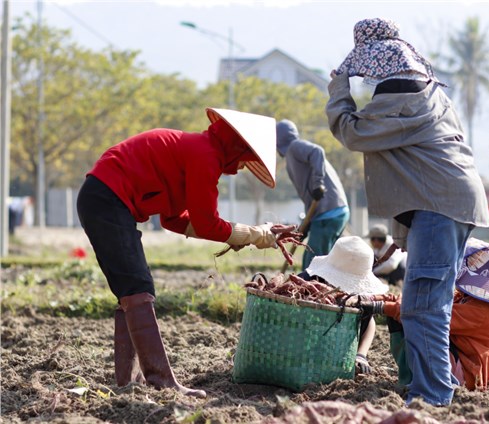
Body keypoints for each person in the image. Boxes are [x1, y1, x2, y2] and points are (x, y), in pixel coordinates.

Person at [77, 108, 301, 398]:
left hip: (102, 197)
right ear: (238, 147)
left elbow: (175, 219)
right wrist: (254, 235)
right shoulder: (204, 155)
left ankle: (129, 382)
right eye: (246, 160)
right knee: (137, 287)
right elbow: (207, 223)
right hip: (108, 198)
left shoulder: (199, 150)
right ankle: (160, 381)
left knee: (131, 290)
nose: (243, 167)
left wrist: (251, 234)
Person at [326, 18, 489, 406]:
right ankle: (427, 389)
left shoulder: (400, 91)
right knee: (427, 306)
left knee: (423, 309)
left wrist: (337, 88)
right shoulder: (425, 88)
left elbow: (351, 132)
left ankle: (433, 394)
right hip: (446, 204)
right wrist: (403, 239)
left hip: (439, 205)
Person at [364, 238, 489, 391]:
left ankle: (433, 382)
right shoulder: (464, 297)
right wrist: (373, 299)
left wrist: (381, 307)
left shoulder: (482, 310)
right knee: (403, 316)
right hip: (455, 361)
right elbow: (417, 303)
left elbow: (429, 316)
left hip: (466, 378)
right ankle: (412, 378)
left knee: (421, 325)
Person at [295, 236, 391, 375]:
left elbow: (369, 322)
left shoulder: (358, 298)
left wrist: (361, 355)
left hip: (338, 352)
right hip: (300, 346)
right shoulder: (306, 282)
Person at [276, 119, 350, 270]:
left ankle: (309, 291)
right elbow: (308, 194)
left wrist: (318, 184)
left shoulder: (294, 147)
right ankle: (320, 290)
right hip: (330, 212)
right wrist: (307, 226)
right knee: (320, 260)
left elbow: (317, 151)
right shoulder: (293, 154)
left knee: (313, 262)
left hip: (329, 212)